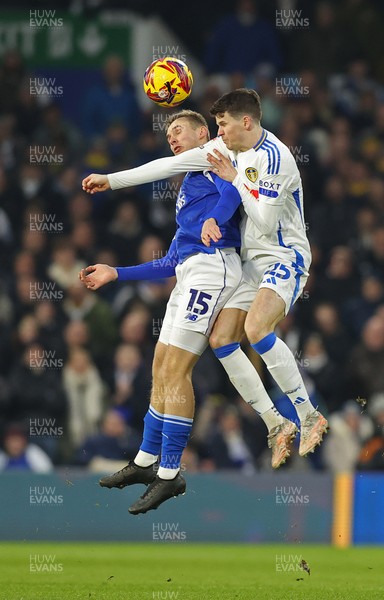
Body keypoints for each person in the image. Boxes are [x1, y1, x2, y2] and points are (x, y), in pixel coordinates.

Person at [82, 90, 329, 462]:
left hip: (284, 255)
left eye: (223, 124)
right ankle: (276, 423)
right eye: (216, 125)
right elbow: (166, 167)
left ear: (245, 122)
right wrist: (111, 179)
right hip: (249, 263)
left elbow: (263, 221)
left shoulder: (276, 159)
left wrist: (236, 180)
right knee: (221, 340)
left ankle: (309, 415)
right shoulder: (224, 149)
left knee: (257, 329)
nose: (219, 132)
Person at [81, 110, 245, 515]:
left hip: (213, 267)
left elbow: (234, 191)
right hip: (189, 271)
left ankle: (170, 474)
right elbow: (170, 261)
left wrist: (215, 218)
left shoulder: (215, 155)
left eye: (178, 131)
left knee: (177, 370)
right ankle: (144, 462)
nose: (171, 138)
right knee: (159, 366)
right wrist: (116, 272)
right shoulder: (190, 186)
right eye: (167, 133)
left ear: (203, 133)